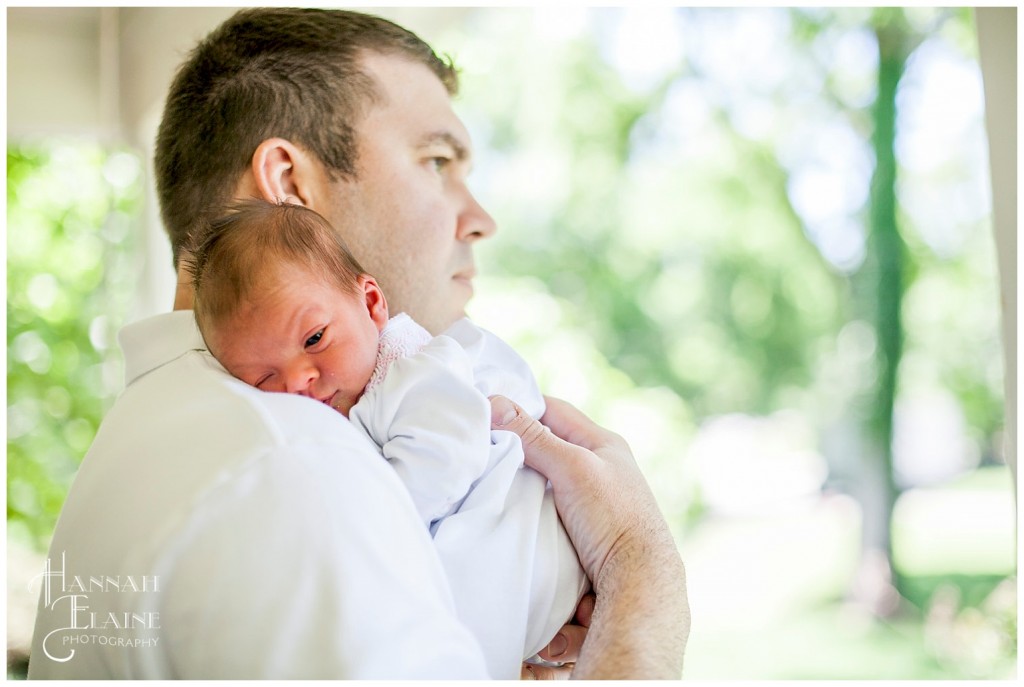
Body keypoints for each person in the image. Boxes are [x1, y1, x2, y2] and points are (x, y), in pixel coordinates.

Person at [28, 7, 689, 679]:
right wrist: (640, 587)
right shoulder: (298, 461)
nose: (481, 218)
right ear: (289, 187)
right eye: (437, 160)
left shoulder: (148, 445)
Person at [186, 199, 589, 675]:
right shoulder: (342, 402)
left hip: (522, 553)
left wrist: (364, 527)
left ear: (372, 304)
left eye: (314, 339)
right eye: (262, 378)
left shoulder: (415, 371)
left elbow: (446, 458)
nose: (297, 380)